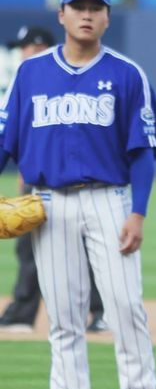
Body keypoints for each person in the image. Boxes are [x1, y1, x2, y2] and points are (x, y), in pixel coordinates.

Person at [0, 0, 156, 389]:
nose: (87, 14)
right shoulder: (31, 73)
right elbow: (5, 140)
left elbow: (142, 153)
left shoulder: (128, 75)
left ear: (108, 17)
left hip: (109, 200)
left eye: (96, 7)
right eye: (78, 6)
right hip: (48, 204)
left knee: (126, 308)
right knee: (64, 316)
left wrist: (138, 212)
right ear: (62, 15)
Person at [0, 25, 106, 335]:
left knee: (85, 247)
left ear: (38, 45)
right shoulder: (28, 79)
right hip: (41, 178)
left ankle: (101, 311)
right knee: (30, 247)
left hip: (70, 180)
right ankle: (22, 311)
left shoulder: (59, 78)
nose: (20, 53)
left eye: (24, 46)